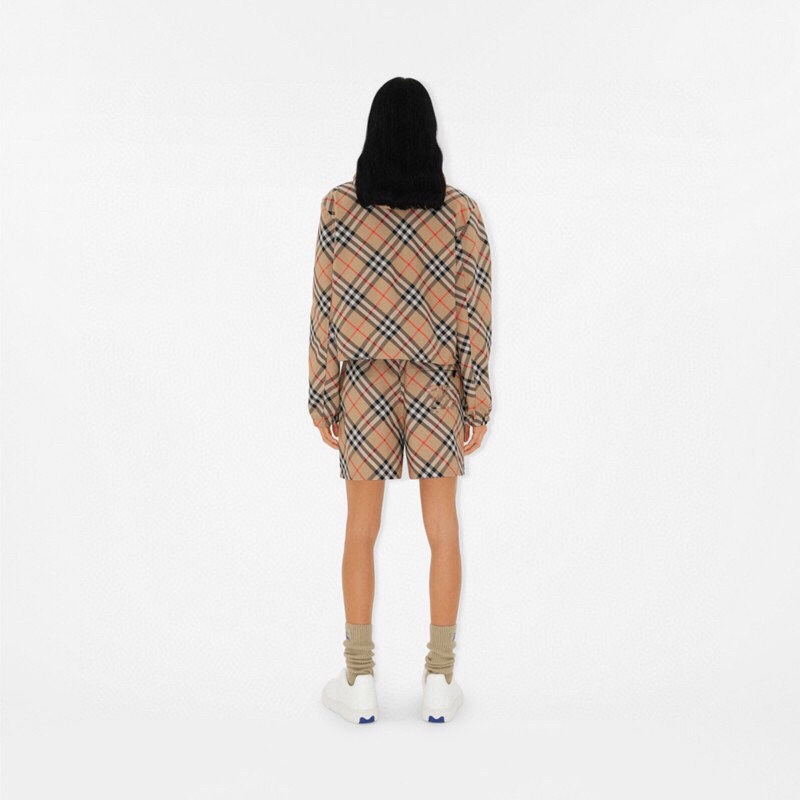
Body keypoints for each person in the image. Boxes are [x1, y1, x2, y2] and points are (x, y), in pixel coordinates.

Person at [307, 77, 493, 724]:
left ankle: (358, 679)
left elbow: (324, 308)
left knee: (361, 529)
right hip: (438, 382)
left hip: (363, 382)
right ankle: (440, 680)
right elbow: (474, 313)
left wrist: (322, 392)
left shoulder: (339, 208)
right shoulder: (460, 214)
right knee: (443, 529)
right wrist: (477, 399)